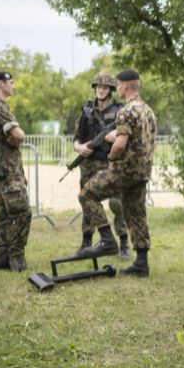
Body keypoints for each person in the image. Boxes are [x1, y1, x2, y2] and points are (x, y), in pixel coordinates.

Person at [77, 68, 157, 278]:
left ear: (124, 86)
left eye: (118, 85)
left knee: (87, 194)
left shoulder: (126, 111)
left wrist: (111, 159)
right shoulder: (147, 110)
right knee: (136, 213)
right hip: (142, 172)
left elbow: (120, 145)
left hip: (125, 170)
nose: (117, 88)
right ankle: (141, 262)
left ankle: (107, 239)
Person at [73, 71, 131, 259]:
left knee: (116, 202)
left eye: (104, 87)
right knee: (87, 202)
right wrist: (79, 148)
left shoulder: (120, 111)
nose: (100, 90)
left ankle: (123, 242)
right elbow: (76, 139)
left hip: (110, 162)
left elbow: (128, 135)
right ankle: (86, 242)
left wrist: (116, 133)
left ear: (111, 89)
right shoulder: (86, 110)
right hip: (88, 164)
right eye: (98, 86)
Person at [0, 71, 31, 272]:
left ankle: (1, 257)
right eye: (11, 82)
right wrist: (16, 139)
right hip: (7, 168)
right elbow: (19, 134)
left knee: (5, 212)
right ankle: (16, 256)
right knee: (22, 211)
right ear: (1, 84)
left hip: (5, 167)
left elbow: (13, 136)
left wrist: (13, 139)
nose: (14, 85)